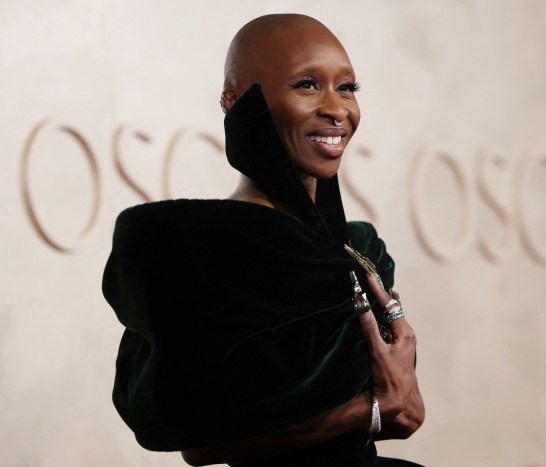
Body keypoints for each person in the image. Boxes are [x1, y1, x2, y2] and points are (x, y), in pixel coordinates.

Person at [103, 13, 424, 467]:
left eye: (347, 87)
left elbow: (409, 416)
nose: (337, 108)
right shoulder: (201, 249)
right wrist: (370, 409)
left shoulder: (361, 250)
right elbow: (198, 446)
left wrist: (381, 407)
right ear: (235, 100)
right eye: (307, 84)